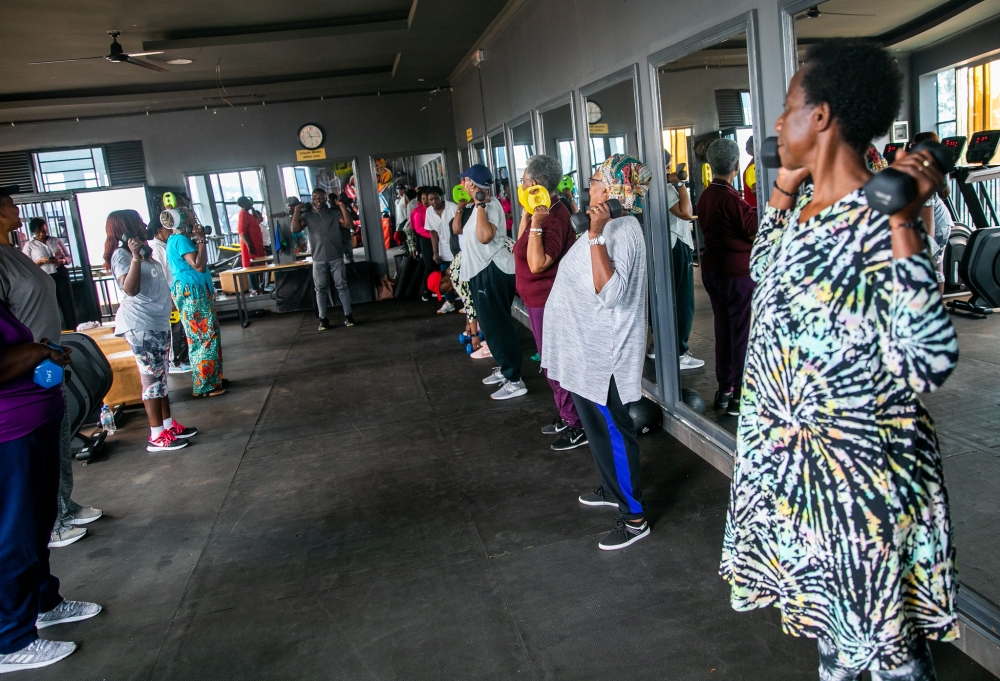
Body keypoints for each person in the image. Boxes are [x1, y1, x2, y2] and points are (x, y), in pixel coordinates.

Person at [721, 40, 959, 681]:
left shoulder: (878, 220)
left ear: (821, 116)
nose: (777, 124)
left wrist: (905, 217)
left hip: (858, 491)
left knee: (886, 664)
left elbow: (929, 359)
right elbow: (766, 274)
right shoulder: (806, 215)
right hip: (802, 486)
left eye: (788, 108)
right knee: (839, 657)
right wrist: (782, 189)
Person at [542, 154, 651, 550]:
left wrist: (595, 232)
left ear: (612, 190)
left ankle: (634, 517)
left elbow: (610, 293)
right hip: (586, 349)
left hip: (605, 353)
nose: (587, 189)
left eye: (594, 182)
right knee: (595, 427)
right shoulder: (608, 226)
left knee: (614, 430)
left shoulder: (623, 230)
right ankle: (612, 488)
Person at [0, 301, 102, 674]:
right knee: (15, 533)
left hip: (32, 424)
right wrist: (41, 351)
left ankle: (45, 602)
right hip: (8, 434)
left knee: (39, 525)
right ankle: (9, 642)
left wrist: (43, 355)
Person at [0, 189, 100, 549]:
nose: (17, 209)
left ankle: (64, 505)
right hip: (27, 366)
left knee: (57, 429)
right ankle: (52, 521)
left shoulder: (17, 251)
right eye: (10, 204)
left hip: (47, 359)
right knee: (40, 439)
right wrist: (34, 351)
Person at [105, 210, 198, 451]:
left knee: (160, 378)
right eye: (138, 221)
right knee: (151, 380)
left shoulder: (145, 254)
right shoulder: (122, 255)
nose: (144, 224)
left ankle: (167, 426)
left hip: (156, 323)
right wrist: (135, 257)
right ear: (125, 227)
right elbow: (130, 289)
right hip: (140, 324)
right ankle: (156, 435)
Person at [514, 155, 587, 450]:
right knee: (549, 363)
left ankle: (576, 424)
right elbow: (520, 246)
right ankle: (566, 414)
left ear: (534, 183)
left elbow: (539, 263)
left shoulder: (554, 217)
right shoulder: (541, 214)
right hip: (537, 300)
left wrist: (536, 223)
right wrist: (527, 214)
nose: (521, 184)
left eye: (524, 180)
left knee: (556, 364)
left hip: (550, 301)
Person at [696, 138, 758, 416]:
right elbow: (752, 228)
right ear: (736, 165)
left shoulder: (707, 194)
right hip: (736, 272)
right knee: (741, 332)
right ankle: (740, 395)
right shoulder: (730, 198)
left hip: (713, 270)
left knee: (724, 330)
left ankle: (725, 389)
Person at [457, 164, 525, 400]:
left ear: (473, 184)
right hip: (482, 271)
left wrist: (481, 204)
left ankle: (515, 379)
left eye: (465, 181)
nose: (462, 185)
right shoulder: (479, 207)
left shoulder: (490, 205)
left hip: (492, 270)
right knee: (491, 326)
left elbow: (485, 237)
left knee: (498, 326)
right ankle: (506, 371)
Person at [165, 211, 226, 398]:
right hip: (192, 292)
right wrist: (201, 241)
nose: (194, 219)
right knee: (203, 336)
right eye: (190, 216)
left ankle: (212, 377)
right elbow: (198, 265)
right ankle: (205, 385)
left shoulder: (176, 239)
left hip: (192, 290)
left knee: (205, 335)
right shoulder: (181, 240)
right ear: (183, 220)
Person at [292, 188, 356, 330]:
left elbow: (348, 224)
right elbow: (294, 229)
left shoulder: (334, 213)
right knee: (320, 289)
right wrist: (297, 211)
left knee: (342, 287)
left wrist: (341, 205)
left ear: (326, 198)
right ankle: (323, 319)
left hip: (336, 257)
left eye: (320, 197)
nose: (318, 200)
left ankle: (348, 316)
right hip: (318, 259)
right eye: (315, 198)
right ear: (312, 200)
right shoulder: (308, 216)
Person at [664, 151, 704, 371]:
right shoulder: (667, 188)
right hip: (676, 244)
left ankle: (658, 347)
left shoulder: (652, 187)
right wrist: (681, 184)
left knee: (671, 298)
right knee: (683, 300)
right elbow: (687, 213)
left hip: (668, 245)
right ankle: (679, 352)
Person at [911, 131, 954, 294]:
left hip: (938, 223)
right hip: (925, 220)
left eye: (916, 144)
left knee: (934, 266)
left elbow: (943, 193)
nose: (912, 146)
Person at [149, 221, 191, 374]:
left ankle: (181, 358)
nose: (171, 231)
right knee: (175, 328)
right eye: (167, 228)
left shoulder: (164, 245)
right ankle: (175, 361)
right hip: (169, 294)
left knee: (180, 326)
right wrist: (168, 296)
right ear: (159, 230)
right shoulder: (157, 248)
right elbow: (160, 275)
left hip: (174, 292)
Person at [22, 218, 76, 331]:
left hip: (60, 273)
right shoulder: (29, 245)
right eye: (39, 232)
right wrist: (40, 261)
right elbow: (26, 266)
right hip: (44, 276)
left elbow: (69, 257)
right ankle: (57, 331)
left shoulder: (55, 240)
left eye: (44, 231)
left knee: (67, 303)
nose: (42, 234)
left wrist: (62, 261)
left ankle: (73, 328)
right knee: (50, 305)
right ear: (34, 232)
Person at [425, 187, 460, 314]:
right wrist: (435, 252)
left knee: (461, 275)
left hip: (458, 247)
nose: (433, 201)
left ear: (441, 197)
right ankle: (449, 302)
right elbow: (433, 233)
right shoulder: (429, 212)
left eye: (436, 198)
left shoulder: (452, 207)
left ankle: (465, 301)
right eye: (430, 199)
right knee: (445, 278)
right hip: (444, 249)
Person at [236, 196, 265, 295]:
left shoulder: (248, 214)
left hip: (257, 245)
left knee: (258, 266)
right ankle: (255, 288)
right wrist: (249, 246)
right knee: (252, 267)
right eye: (248, 202)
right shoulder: (243, 215)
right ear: (244, 204)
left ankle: (259, 287)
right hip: (251, 246)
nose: (250, 203)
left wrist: (252, 209)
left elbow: (259, 220)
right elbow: (242, 232)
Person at [742, 135, 757, 208]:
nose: (746, 148)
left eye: (749, 145)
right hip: (754, 207)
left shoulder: (756, 163)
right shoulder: (754, 164)